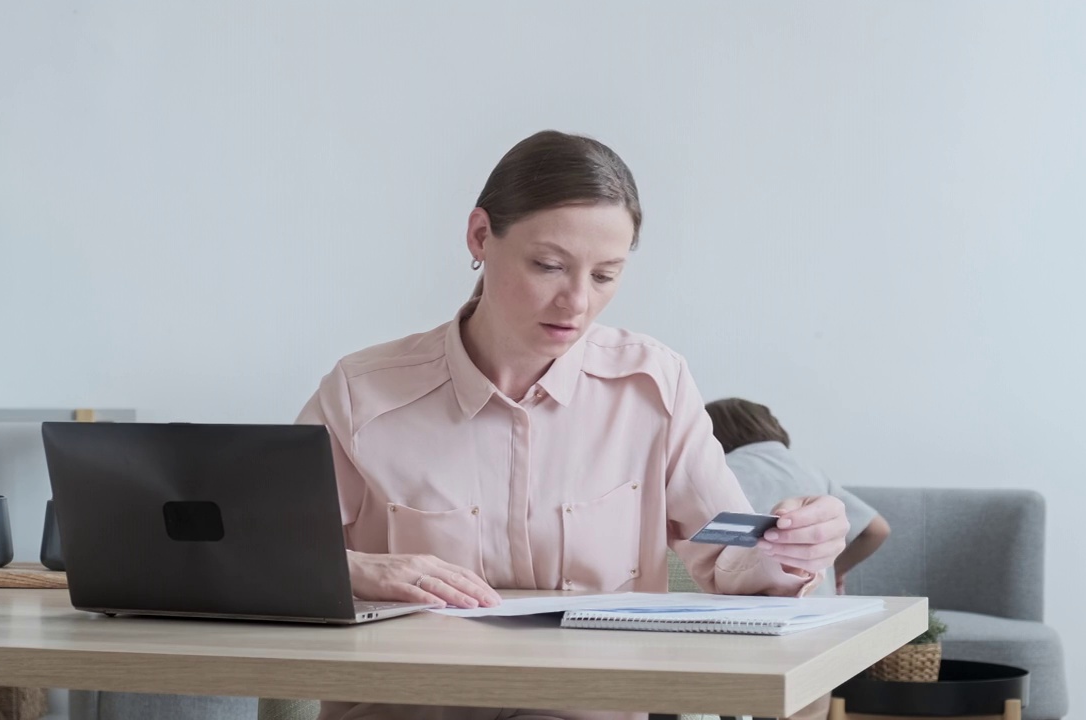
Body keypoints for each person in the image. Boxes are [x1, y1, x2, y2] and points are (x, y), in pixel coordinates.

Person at [296, 130, 851, 720]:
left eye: (605, 275)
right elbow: (253, 562)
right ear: (480, 236)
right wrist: (359, 568)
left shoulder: (654, 387)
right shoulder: (363, 394)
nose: (577, 302)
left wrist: (791, 546)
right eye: (549, 266)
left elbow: (726, 554)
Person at [704, 397, 891, 596]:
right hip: (822, 608)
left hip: (750, 607)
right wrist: (834, 570)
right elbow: (878, 529)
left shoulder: (718, 471)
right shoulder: (807, 468)